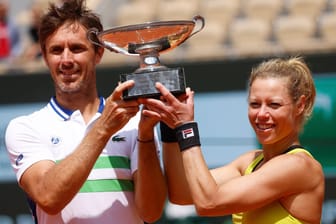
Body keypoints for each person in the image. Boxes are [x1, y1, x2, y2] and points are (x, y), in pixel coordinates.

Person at [5, 0, 166, 223]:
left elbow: (151, 211)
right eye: (56, 50)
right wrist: (103, 129)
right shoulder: (25, 128)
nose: (66, 60)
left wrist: (146, 136)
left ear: (98, 53)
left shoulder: (135, 123)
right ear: (45, 57)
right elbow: (49, 197)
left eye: (77, 48)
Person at [139, 57, 325, 223]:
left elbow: (209, 203)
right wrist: (170, 125)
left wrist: (185, 127)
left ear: (300, 105)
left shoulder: (299, 165)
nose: (261, 114)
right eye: (254, 104)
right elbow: (182, 193)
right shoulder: (249, 162)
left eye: (274, 105)